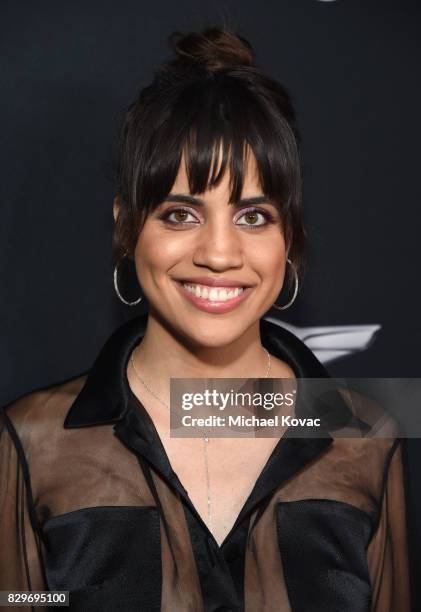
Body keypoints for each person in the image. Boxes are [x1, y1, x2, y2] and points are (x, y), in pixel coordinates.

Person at [0, 26, 411, 612]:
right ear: (126, 226)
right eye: (180, 214)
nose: (219, 254)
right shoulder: (33, 443)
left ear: (287, 237)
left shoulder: (364, 438)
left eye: (253, 217)